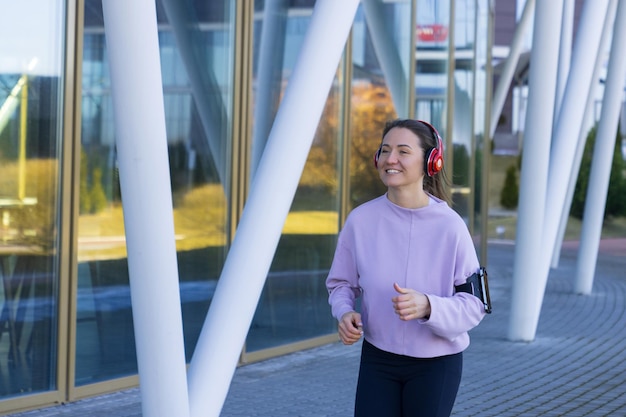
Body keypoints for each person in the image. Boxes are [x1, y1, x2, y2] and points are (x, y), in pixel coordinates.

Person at [325, 118, 487, 417]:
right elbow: (341, 284)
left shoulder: (451, 227)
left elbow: (474, 305)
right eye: (385, 150)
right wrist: (344, 312)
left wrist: (428, 306)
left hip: (435, 366)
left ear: (431, 161)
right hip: (378, 360)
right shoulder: (360, 220)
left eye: (403, 151)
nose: (391, 159)